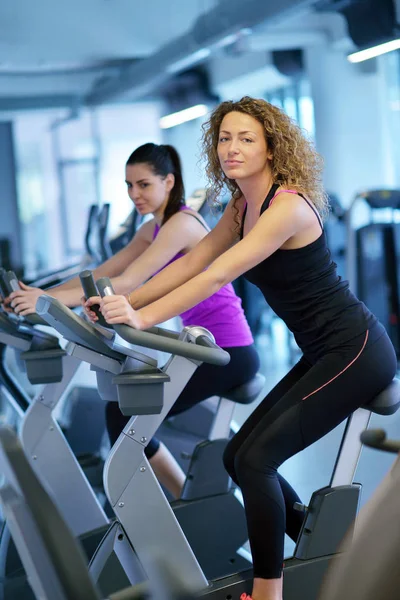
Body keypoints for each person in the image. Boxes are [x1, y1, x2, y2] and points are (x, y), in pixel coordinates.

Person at [93, 98, 397, 600]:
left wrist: (142, 318)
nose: (232, 148)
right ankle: (327, 547)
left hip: (356, 349)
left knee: (257, 461)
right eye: (225, 138)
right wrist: (121, 300)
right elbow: (191, 265)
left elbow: (218, 273)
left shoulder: (287, 206)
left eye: (247, 138)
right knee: (238, 457)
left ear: (273, 146)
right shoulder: (240, 206)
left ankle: (269, 591)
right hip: (323, 351)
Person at [8, 142, 259, 499]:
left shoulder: (182, 224)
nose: (134, 194)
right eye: (128, 185)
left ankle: (184, 503)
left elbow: (128, 282)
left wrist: (45, 300)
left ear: (168, 182)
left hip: (229, 351)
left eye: (143, 184)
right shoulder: (153, 228)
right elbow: (101, 273)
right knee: (123, 412)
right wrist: (35, 292)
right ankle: (179, 501)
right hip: (201, 348)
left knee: (126, 416)